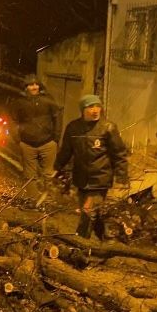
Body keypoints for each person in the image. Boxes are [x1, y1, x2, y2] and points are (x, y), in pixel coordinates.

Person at [53, 94, 129, 240]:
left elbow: (119, 153)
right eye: (90, 107)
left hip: (100, 178)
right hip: (81, 178)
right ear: (83, 110)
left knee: (88, 211)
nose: (95, 110)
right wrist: (57, 167)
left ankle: (80, 245)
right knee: (92, 213)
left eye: (97, 106)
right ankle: (107, 238)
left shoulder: (108, 127)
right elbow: (66, 151)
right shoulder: (73, 128)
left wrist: (121, 175)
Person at [10, 74, 61, 206]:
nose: (34, 87)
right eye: (30, 85)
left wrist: (56, 138)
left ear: (39, 86)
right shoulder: (19, 102)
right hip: (27, 143)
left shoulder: (48, 99)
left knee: (48, 174)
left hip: (48, 142)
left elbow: (57, 117)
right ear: (26, 87)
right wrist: (18, 139)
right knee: (29, 176)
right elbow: (13, 121)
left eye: (35, 84)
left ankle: (48, 201)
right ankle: (32, 201)